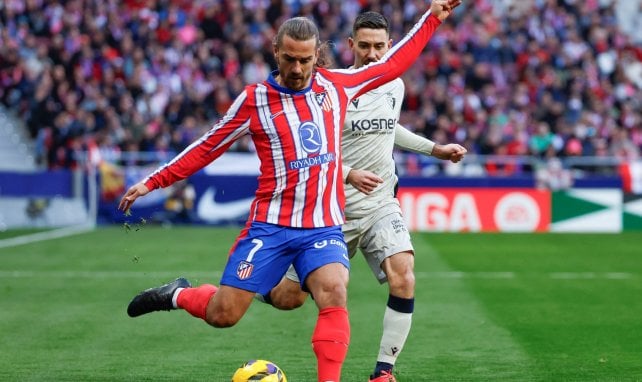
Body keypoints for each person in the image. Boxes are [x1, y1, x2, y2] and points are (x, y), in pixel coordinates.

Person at [119, 2, 461, 381]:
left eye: (305, 60)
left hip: (323, 225)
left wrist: (433, 17)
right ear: (276, 52)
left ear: (318, 56)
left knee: (334, 291)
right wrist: (153, 180)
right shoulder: (254, 101)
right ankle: (179, 294)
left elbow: (393, 65)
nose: (297, 70)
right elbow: (207, 146)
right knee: (225, 314)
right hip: (271, 226)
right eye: (290, 60)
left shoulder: (336, 87)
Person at [256, 11, 467, 382]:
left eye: (380, 47)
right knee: (289, 299)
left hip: (381, 203)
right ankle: (251, 289)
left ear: (389, 47)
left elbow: (389, 127)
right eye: (365, 46)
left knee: (404, 275)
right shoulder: (327, 90)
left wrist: (436, 149)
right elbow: (307, 152)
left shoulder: (393, 85)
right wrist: (347, 174)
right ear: (351, 46)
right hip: (330, 210)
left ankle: (383, 372)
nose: (373, 54)